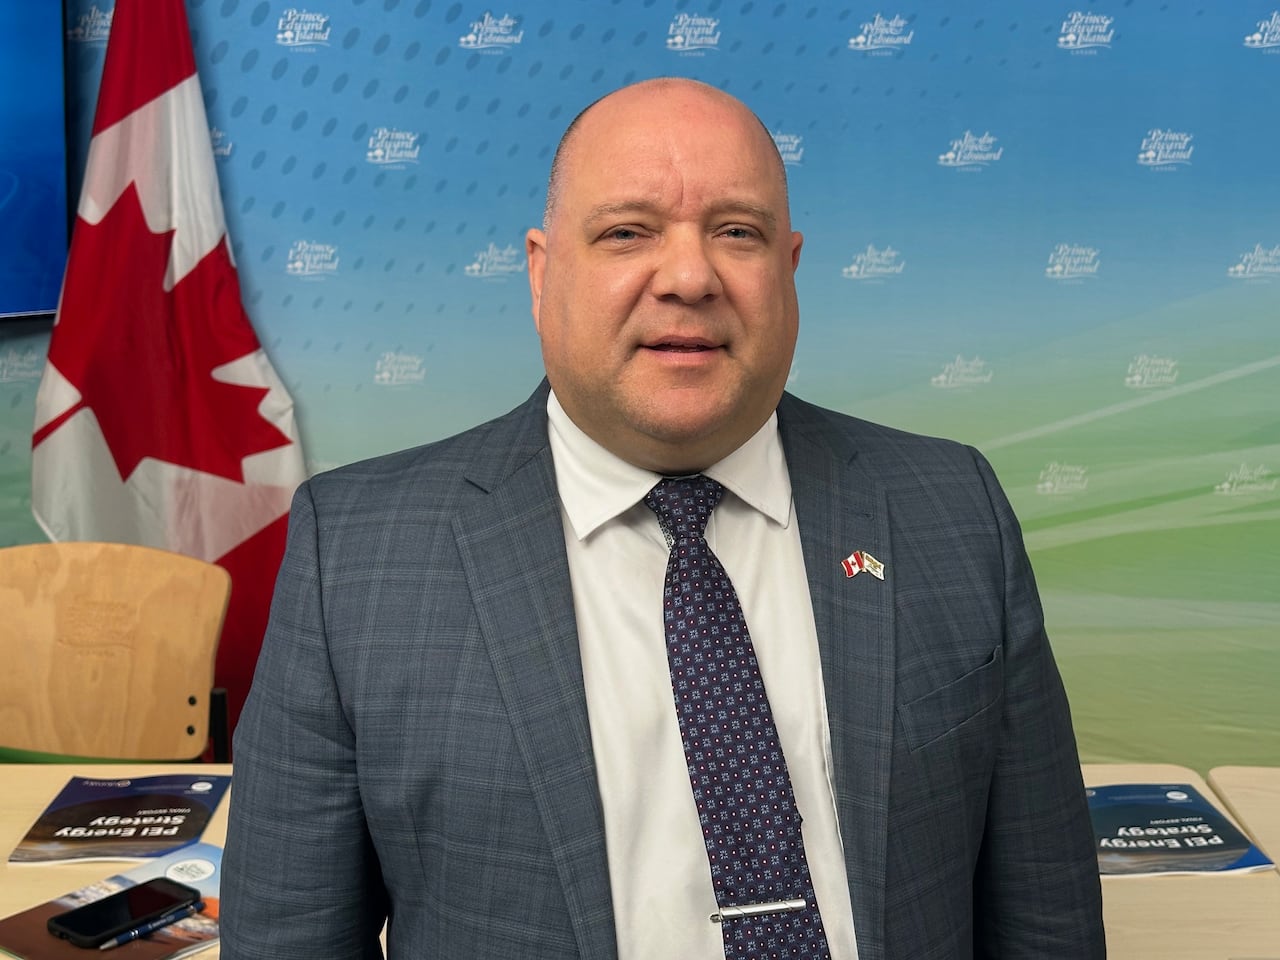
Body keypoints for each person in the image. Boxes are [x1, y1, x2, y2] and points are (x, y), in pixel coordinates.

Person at [221, 78, 1105, 959]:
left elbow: (1046, 921)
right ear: (540, 272)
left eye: (736, 232)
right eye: (626, 233)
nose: (689, 277)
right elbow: (287, 939)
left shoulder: (952, 508)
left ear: (788, 271)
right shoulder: (360, 554)